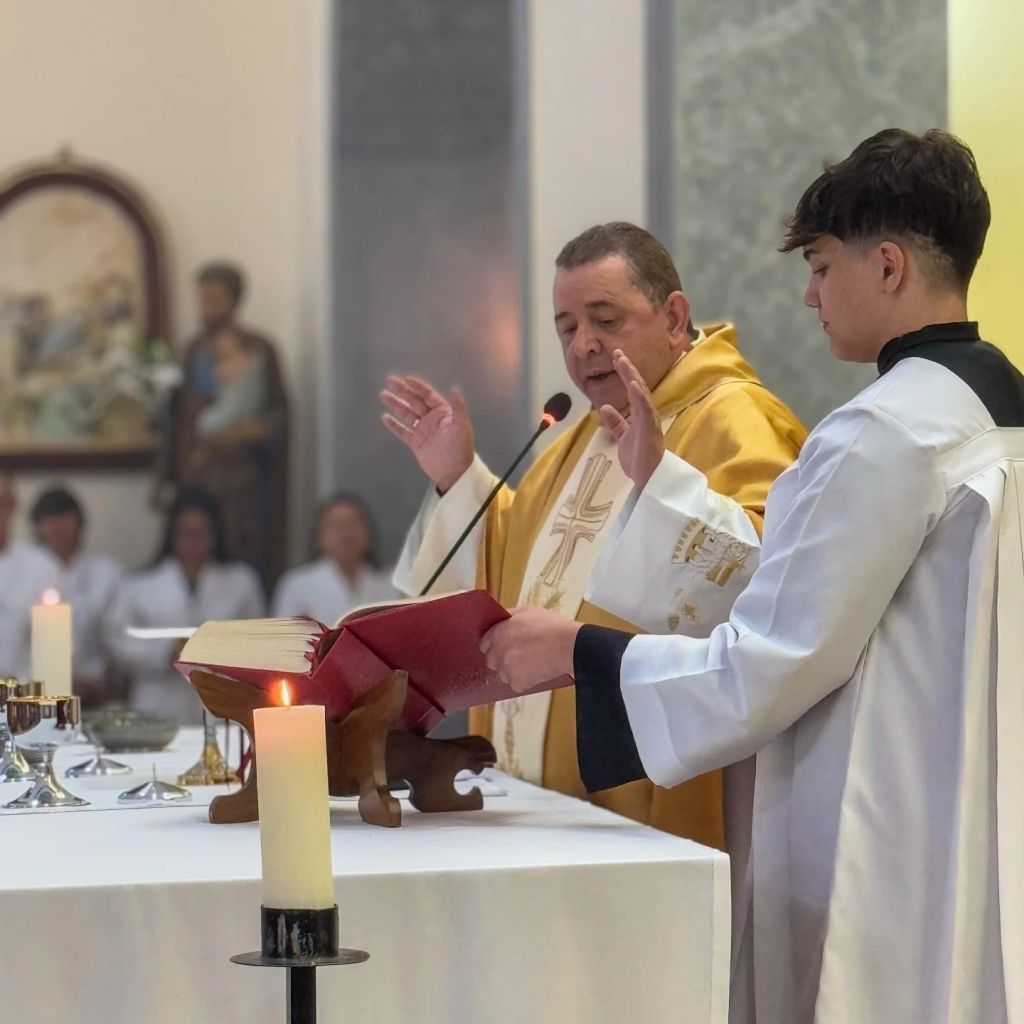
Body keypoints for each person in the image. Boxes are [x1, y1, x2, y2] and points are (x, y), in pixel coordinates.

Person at [480, 129, 1023, 1023]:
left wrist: (587, 655)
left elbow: (771, 662)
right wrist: (667, 485)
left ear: (887, 266)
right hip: (978, 796)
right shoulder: (990, 406)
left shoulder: (880, 432)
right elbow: (815, 582)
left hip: (886, 820)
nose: (809, 294)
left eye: (819, 264)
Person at [382, 222, 806, 846]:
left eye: (605, 320)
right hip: (542, 802)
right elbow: (522, 572)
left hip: (654, 800)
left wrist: (661, 487)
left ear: (674, 316)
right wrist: (458, 479)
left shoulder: (736, 418)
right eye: (567, 327)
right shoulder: (574, 442)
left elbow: (774, 591)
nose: (584, 346)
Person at [160, 262, 289, 589]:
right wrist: (168, 470)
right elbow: (179, 418)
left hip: (244, 476)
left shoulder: (259, 348)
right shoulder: (192, 352)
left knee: (244, 550)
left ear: (234, 300)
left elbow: (278, 414)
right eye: (203, 298)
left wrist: (252, 432)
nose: (208, 307)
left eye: (216, 298)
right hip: (200, 473)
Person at [107, 487, 264, 724]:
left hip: (223, 707)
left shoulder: (240, 581)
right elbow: (118, 639)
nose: (194, 543)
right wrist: (165, 652)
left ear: (216, 534)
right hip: (158, 703)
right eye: (186, 534)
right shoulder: (139, 585)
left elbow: (260, 639)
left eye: (202, 534)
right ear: (172, 535)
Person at [30, 486, 122, 705]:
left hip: (95, 692)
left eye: (65, 519)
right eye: (50, 520)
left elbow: (118, 636)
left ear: (79, 522)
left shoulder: (106, 573)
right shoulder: (23, 574)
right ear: (38, 527)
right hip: (36, 695)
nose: (58, 528)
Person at [272, 494, 396, 624]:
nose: (345, 533)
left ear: (368, 533)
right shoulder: (297, 584)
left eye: (353, 523)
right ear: (319, 538)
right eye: (336, 525)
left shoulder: (390, 583)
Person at [0, 473, 60, 680]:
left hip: (24, 699)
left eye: (1, 504)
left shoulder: (42, 567)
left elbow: (56, 646)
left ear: (13, 506)